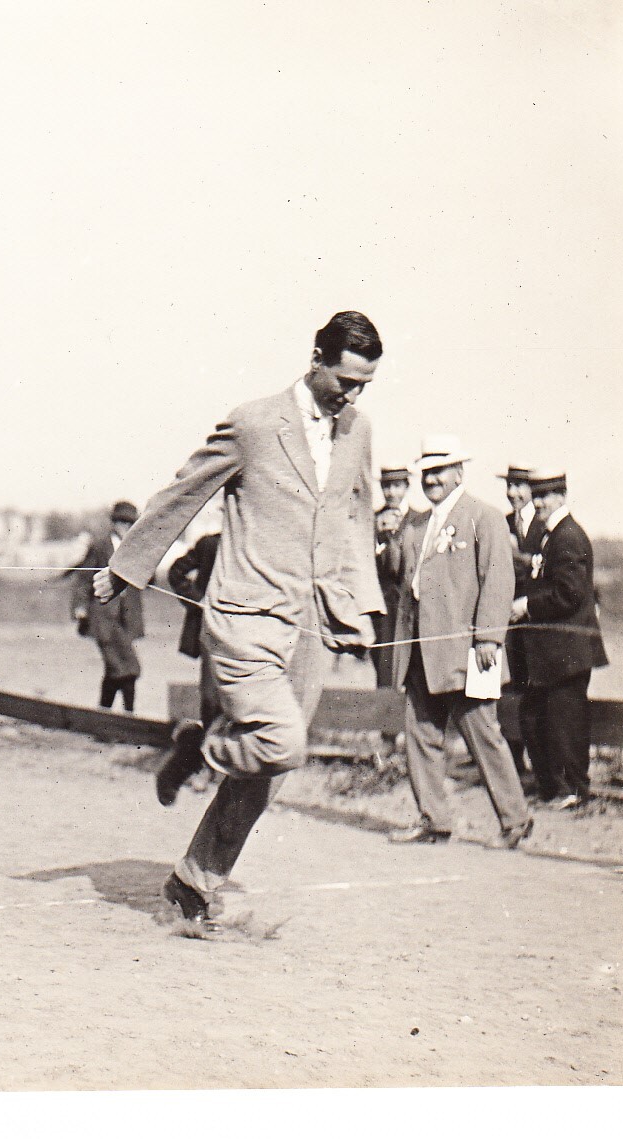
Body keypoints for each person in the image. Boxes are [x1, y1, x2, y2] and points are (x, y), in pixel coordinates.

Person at [94, 311, 385, 926]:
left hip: (313, 623)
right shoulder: (255, 423)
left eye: (365, 385)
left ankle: (193, 884)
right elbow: (184, 492)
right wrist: (127, 567)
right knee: (283, 742)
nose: (353, 396)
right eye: (345, 382)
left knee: (273, 769)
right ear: (316, 359)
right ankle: (203, 747)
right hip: (245, 614)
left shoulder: (358, 431)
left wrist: (363, 607)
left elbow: (357, 514)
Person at [387, 436, 532, 850]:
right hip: (417, 649)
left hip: (465, 651)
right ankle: (435, 820)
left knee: (482, 733)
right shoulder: (415, 523)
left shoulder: (483, 517)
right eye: (426, 472)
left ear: (459, 473)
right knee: (420, 734)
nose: (431, 479)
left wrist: (488, 637)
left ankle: (515, 820)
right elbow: (400, 574)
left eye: (439, 470)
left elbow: (498, 581)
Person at [510, 468, 608, 809]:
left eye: (545, 496)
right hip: (554, 653)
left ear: (561, 497)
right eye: (535, 495)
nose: (537, 503)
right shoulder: (550, 536)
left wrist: (526, 605)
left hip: (569, 651)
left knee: (566, 722)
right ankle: (553, 789)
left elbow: (570, 595)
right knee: (535, 717)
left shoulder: (567, 536)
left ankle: (574, 792)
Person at [153, 526, 223, 807]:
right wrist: (198, 602)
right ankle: (204, 766)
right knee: (210, 699)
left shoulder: (261, 545)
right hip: (212, 632)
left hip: (249, 634)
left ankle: (220, 769)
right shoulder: (210, 545)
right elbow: (175, 573)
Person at [70, 501, 146, 712]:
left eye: (130, 523)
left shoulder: (135, 548)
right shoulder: (101, 546)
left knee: (116, 669)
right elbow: (84, 577)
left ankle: (104, 718)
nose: (125, 527)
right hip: (103, 617)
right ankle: (128, 717)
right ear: (113, 523)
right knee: (128, 668)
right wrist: (80, 607)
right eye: (121, 522)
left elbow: (149, 579)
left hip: (127, 619)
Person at [497, 463, 544, 777]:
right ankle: (514, 761)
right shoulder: (501, 524)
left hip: (537, 619)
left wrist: (521, 560)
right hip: (508, 619)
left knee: (536, 688)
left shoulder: (545, 525)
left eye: (520, 486)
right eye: (510, 486)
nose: (513, 493)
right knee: (509, 686)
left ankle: (543, 765)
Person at [371, 464, 414, 688]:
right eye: (387, 486)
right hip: (382, 607)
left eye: (397, 485)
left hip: (409, 606)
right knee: (384, 670)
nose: (392, 493)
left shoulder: (418, 519)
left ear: (406, 486)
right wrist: (379, 536)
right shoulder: (372, 520)